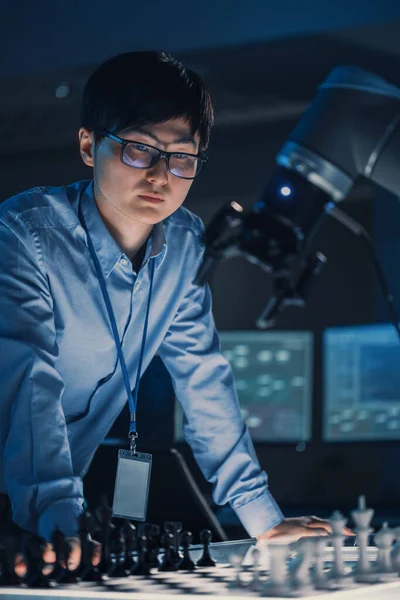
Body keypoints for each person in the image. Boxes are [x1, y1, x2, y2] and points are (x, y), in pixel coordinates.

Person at [0, 50, 349, 571]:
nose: (161, 175)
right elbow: (31, 382)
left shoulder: (185, 243)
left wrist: (261, 517)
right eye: (140, 149)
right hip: (37, 491)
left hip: (52, 502)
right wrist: (62, 515)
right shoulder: (24, 233)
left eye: (182, 157)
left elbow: (204, 377)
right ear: (89, 146)